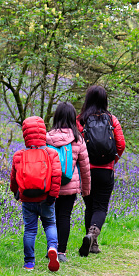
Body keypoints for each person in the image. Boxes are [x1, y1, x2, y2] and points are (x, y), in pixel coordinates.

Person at [76, 85, 125, 256]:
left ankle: (91, 242)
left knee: (89, 206)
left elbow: (76, 145)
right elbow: (121, 145)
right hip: (105, 170)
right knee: (101, 207)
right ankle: (92, 237)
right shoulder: (112, 120)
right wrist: (113, 161)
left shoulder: (80, 120)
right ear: (105, 100)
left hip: (86, 170)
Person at [10, 116, 62, 271]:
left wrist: (16, 193)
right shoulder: (51, 153)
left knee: (30, 230)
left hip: (27, 199)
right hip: (46, 197)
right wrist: (53, 195)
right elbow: (57, 176)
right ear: (43, 132)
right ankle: (52, 248)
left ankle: (29, 263)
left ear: (25, 134)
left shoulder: (19, 155)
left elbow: (14, 178)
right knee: (50, 224)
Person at [46, 102, 91, 263]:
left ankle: (50, 247)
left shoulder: (48, 137)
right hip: (69, 186)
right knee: (64, 217)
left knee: (50, 218)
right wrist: (86, 190)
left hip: (51, 185)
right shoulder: (78, 139)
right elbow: (85, 168)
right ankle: (61, 252)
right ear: (73, 118)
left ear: (56, 116)